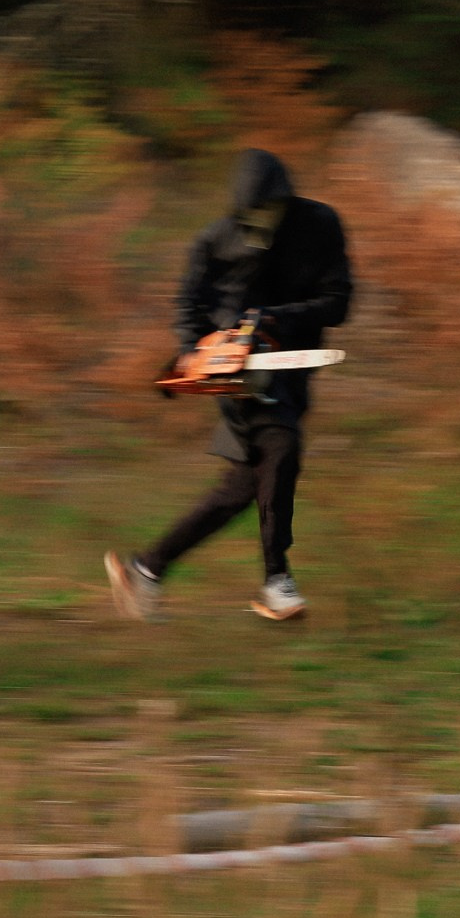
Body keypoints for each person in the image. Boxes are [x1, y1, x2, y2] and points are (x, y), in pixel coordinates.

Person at [105, 148, 350, 622]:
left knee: (241, 489)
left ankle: (145, 570)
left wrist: (276, 318)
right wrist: (196, 350)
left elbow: (338, 304)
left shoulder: (321, 226)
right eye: (250, 215)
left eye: (269, 211)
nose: (260, 224)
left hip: (293, 371)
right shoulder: (215, 240)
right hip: (237, 377)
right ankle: (277, 582)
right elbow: (189, 304)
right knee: (281, 447)